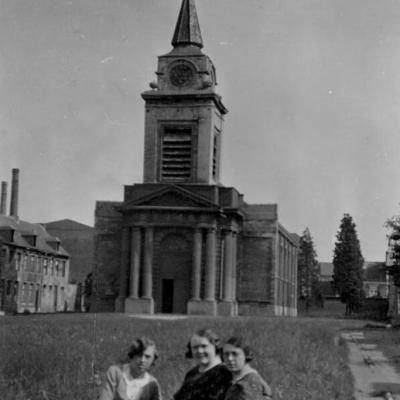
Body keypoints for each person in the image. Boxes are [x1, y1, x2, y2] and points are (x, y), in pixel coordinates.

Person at [173, 329, 232, 400]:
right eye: (195, 347)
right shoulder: (192, 373)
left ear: (215, 346)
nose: (199, 351)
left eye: (204, 346)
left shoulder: (224, 373)